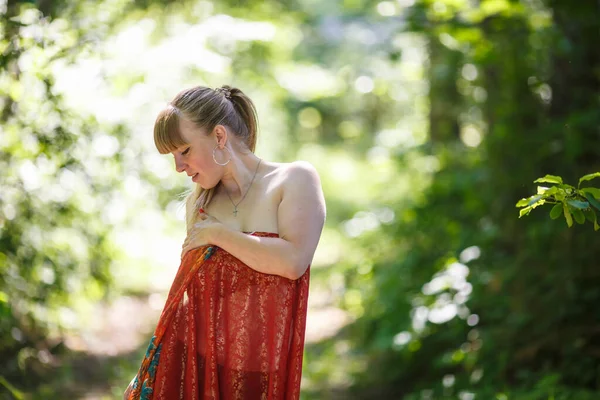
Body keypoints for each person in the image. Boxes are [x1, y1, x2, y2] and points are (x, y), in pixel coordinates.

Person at [124, 85, 326, 399]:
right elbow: (193, 303)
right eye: (173, 156)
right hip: (205, 378)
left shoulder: (294, 180)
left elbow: (292, 262)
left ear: (220, 137)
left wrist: (216, 234)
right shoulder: (200, 204)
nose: (178, 167)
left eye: (185, 151)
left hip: (264, 380)